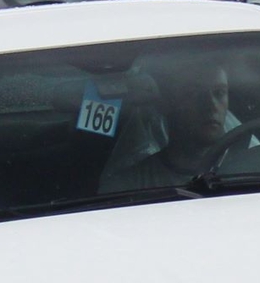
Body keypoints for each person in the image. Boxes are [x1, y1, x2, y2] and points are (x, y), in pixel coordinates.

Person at [99, 67, 244, 192]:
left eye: (219, 93)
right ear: (166, 104)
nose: (211, 106)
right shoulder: (128, 187)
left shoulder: (251, 170)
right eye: (193, 94)